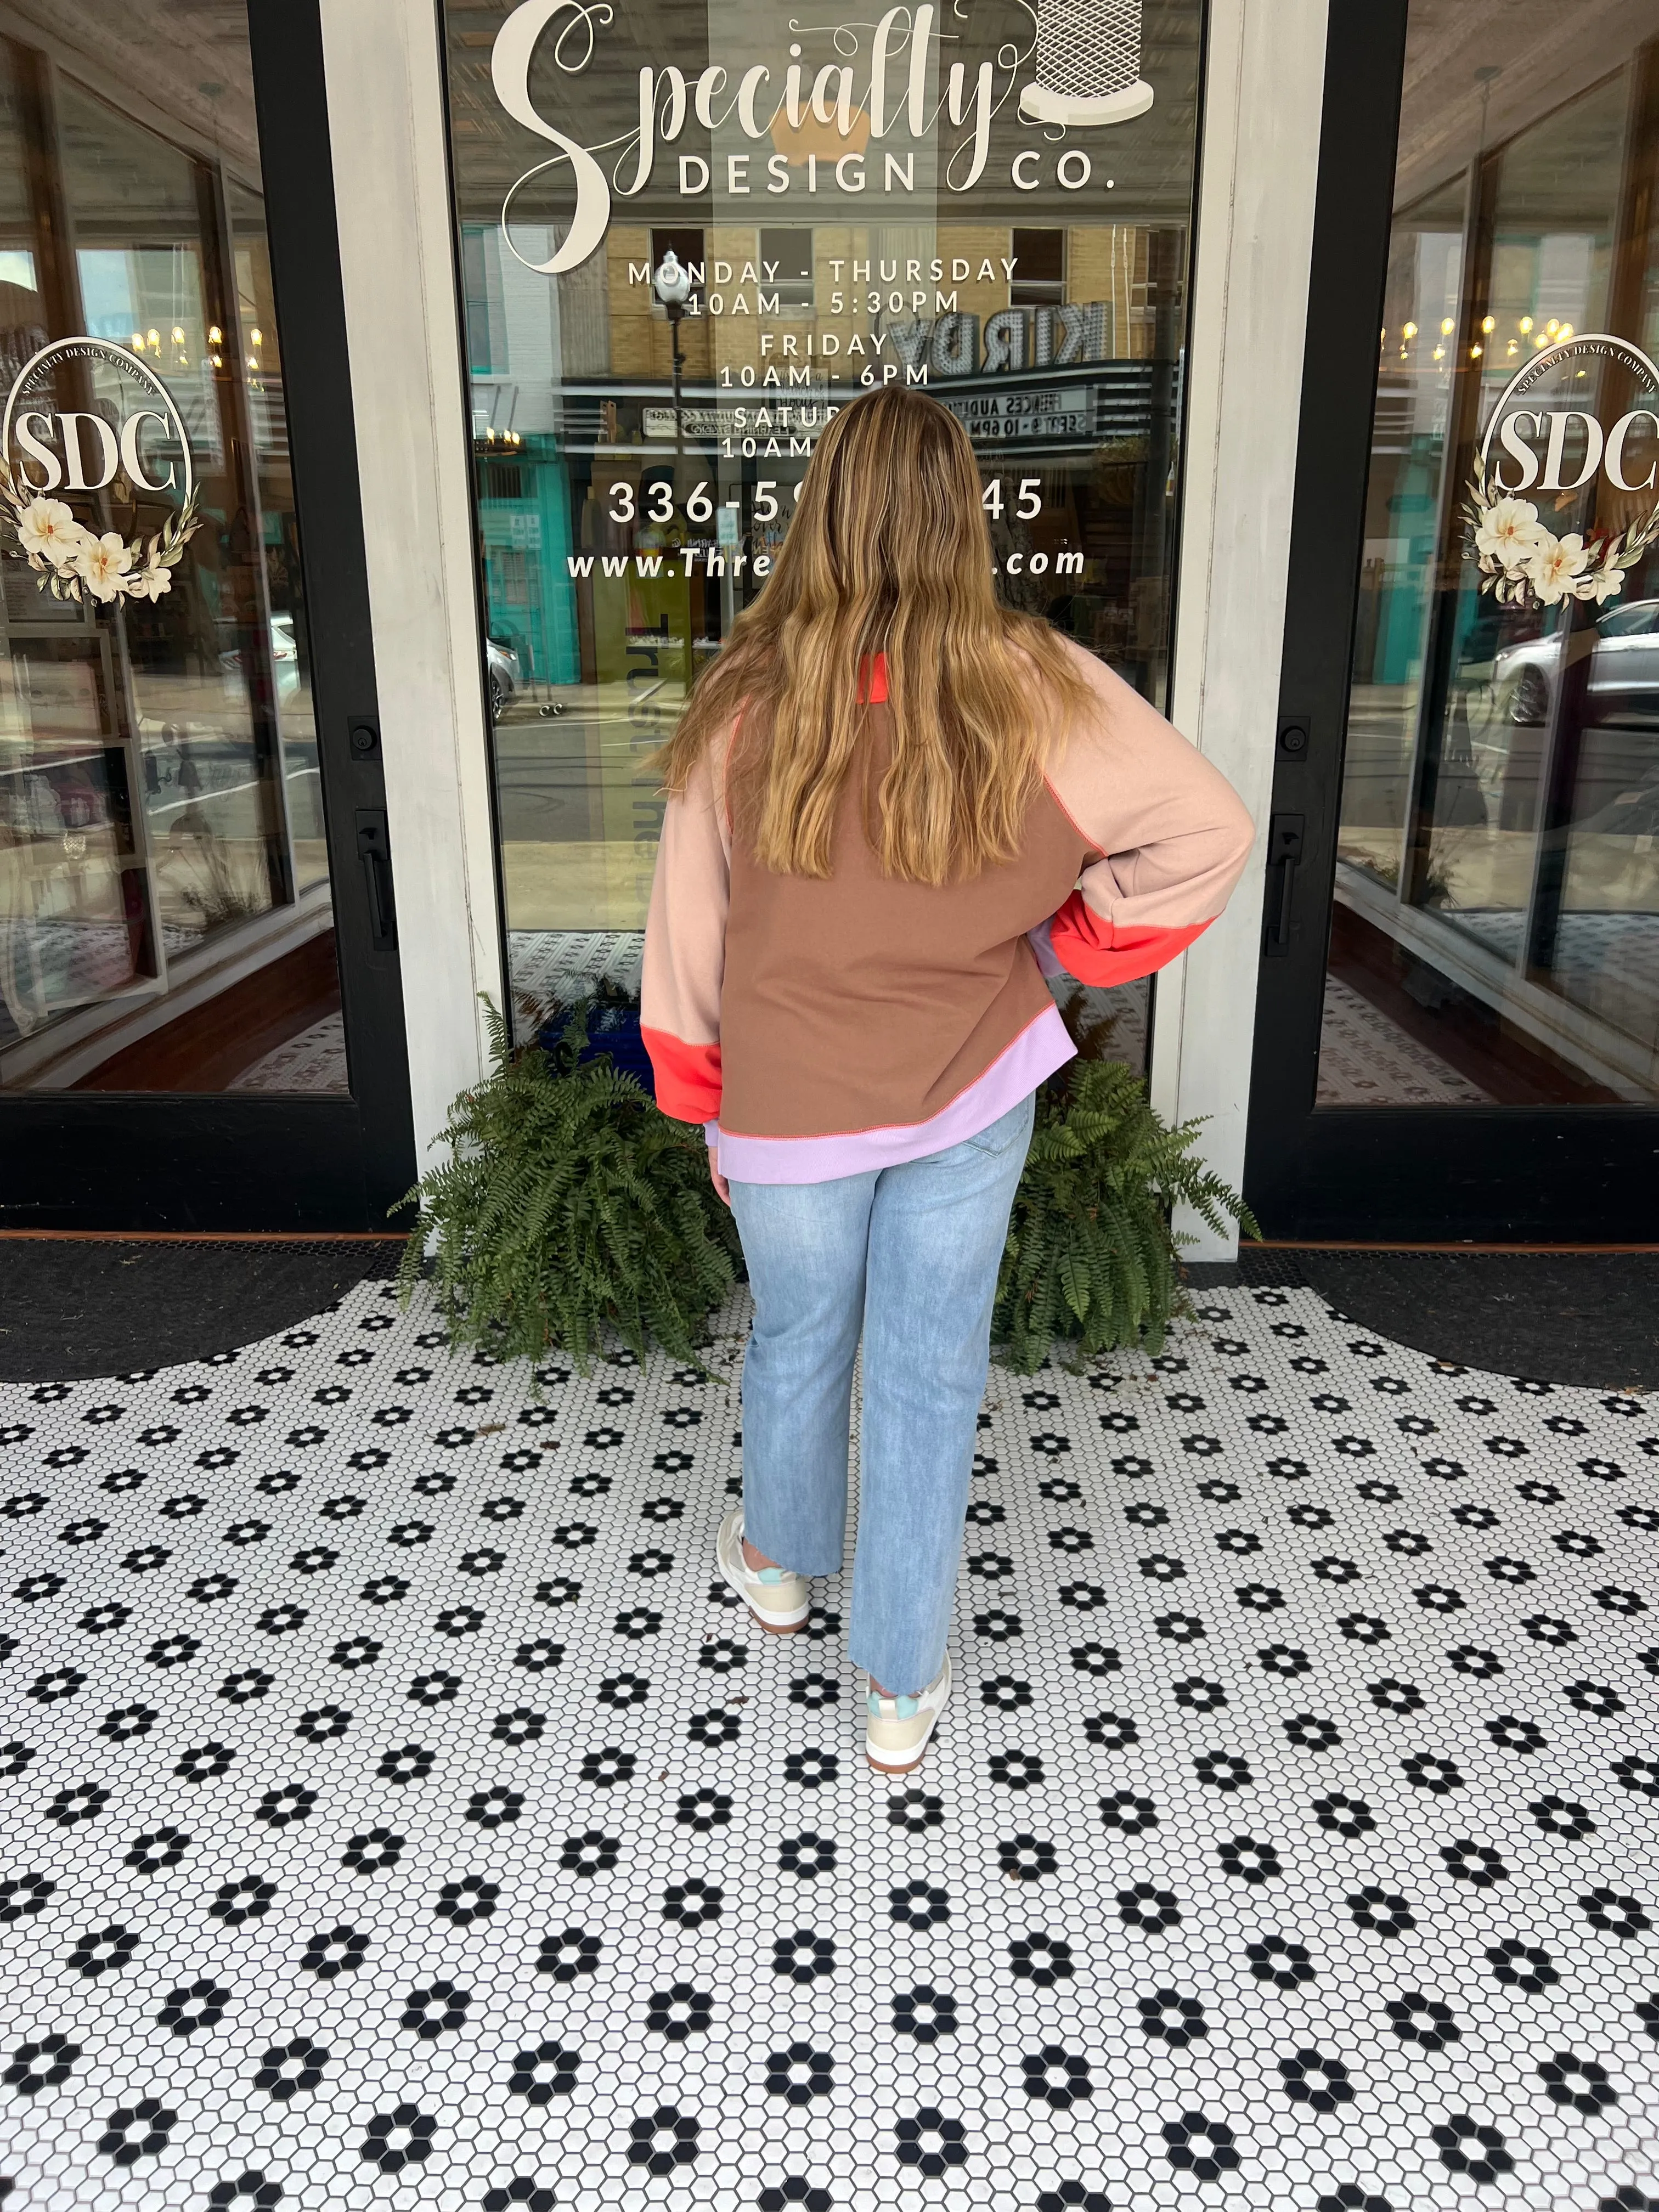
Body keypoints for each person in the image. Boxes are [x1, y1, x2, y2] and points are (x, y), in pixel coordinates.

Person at [641, 386, 1252, 1774]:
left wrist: (700, 1101)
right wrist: (1066, 949)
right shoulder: (1035, 681)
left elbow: (686, 926)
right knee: (929, 1373)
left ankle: (782, 1567)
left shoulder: (745, 693)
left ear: (823, 512)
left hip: (790, 1104)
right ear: (960, 515)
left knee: (801, 1343)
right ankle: (903, 1685)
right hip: (975, 1084)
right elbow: (1208, 831)